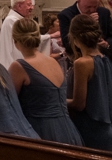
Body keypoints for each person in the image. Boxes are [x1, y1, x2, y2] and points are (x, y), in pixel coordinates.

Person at [8, 18, 83, 146]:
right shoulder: (53, 61)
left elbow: (10, 103)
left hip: (41, 131)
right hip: (68, 128)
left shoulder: (18, 66)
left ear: (15, 41)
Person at [67, 15, 112, 153]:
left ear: (74, 38)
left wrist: (58, 100)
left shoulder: (82, 62)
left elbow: (79, 104)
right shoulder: (105, 58)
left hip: (94, 129)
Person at [0, 0, 57, 69]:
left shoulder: (17, 19)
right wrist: (50, 36)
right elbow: (26, 38)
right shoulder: (12, 20)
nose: (32, 8)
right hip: (12, 62)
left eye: (32, 5)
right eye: (29, 5)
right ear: (19, 6)